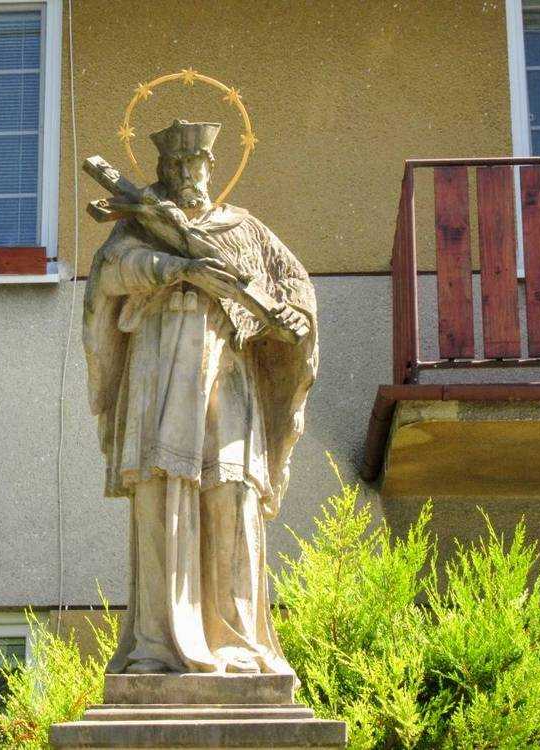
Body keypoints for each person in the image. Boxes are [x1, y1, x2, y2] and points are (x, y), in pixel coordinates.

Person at [83, 119, 318, 674]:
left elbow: (293, 288)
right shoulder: (142, 222)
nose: (189, 175)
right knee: (159, 494)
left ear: (213, 168)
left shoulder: (246, 230)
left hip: (227, 370)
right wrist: (178, 269)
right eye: (178, 165)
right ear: (164, 170)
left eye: (198, 165)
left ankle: (238, 642)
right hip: (158, 368)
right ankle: (156, 646)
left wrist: (287, 318)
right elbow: (110, 274)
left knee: (231, 493)